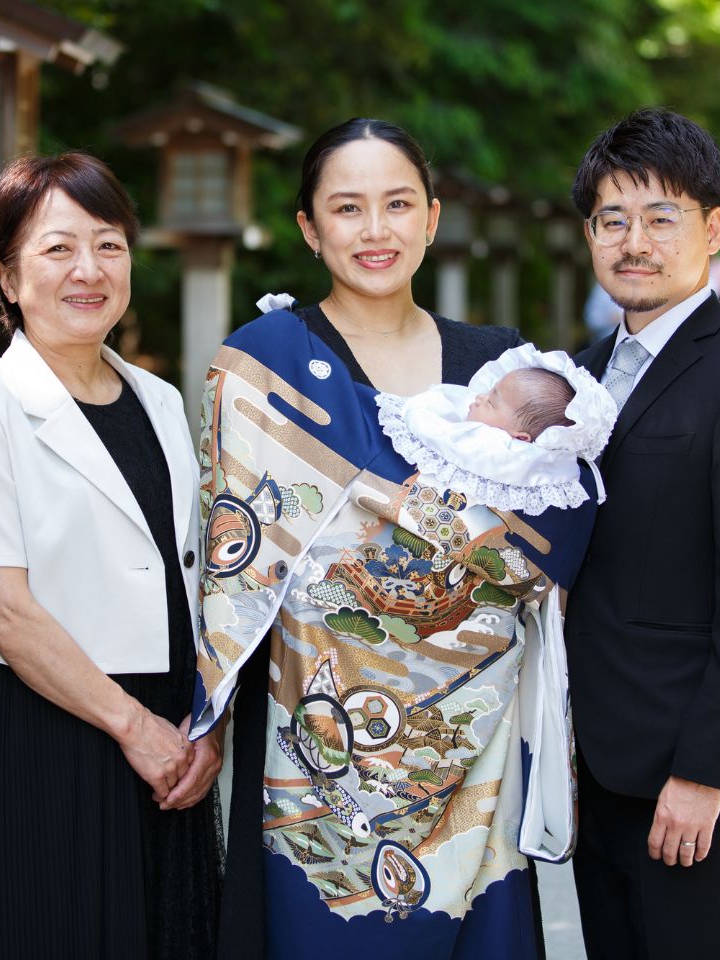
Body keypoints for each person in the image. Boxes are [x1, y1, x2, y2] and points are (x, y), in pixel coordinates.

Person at [192, 119, 600, 959]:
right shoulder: (262, 364)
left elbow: (559, 526)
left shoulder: (496, 367)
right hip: (316, 736)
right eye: (348, 208)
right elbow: (234, 551)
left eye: (397, 204)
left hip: (471, 742)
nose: (375, 231)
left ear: (432, 217)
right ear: (310, 228)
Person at [0, 152, 222, 959]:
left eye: (109, 244)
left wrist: (206, 726)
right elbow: (5, 612)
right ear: (9, 279)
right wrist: (135, 728)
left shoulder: (160, 401)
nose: (89, 269)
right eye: (58, 249)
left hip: (171, 728)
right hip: (50, 723)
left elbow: (192, 577)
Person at [565, 108, 720, 959]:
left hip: (688, 768)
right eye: (611, 219)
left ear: (712, 229)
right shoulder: (579, 373)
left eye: (661, 216)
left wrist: (704, 772)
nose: (634, 240)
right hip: (591, 760)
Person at [374, 342, 617, 514]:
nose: (479, 397)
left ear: (519, 438)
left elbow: (432, 427)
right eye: (489, 391)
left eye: (491, 402)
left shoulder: (494, 448)